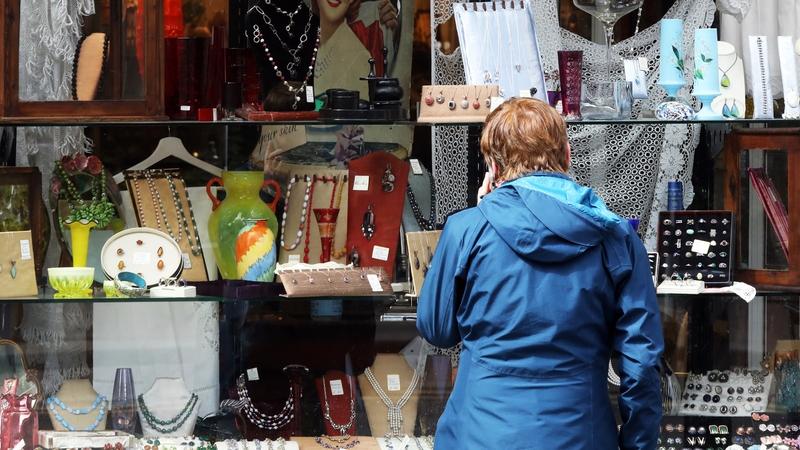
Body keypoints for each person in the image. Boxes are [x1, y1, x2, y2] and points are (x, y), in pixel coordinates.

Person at [417, 98, 664, 450]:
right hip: (582, 436)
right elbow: (641, 364)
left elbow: (437, 330)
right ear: (567, 155)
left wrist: (481, 215)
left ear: (493, 166)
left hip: (479, 434)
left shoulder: (466, 230)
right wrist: (638, 445)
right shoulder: (616, 237)